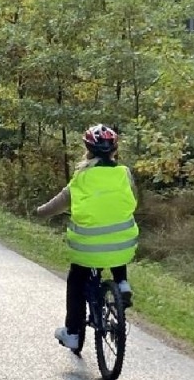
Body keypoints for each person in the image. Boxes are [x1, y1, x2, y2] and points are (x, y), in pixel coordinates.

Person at [35, 125, 137, 354]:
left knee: (76, 280)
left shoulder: (81, 178)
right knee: (115, 240)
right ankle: (122, 283)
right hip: (124, 243)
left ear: (87, 150)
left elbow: (57, 204)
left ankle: (72, 333)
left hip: (87, 246)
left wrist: (39, 212)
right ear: (114, 150)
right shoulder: (124, 173)